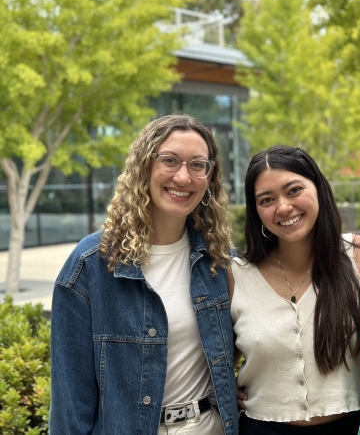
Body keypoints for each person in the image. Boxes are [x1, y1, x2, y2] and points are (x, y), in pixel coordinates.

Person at [50, 114, 238, 435]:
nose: (183, 177)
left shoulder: (219, 259)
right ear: (143, 168)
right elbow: (70, 400)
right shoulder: (90, 265)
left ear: (210, 177)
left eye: (197, 165)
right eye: (169, 160)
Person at [229, 145, 360, 434]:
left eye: (294, 190)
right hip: (261, 429)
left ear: (318, 188)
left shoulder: (359, 256)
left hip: (352, 426)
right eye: (267, 199)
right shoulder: (237, 274)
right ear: (256, 211)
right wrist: (224, 387)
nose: (284, 207)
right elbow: (215, 360)